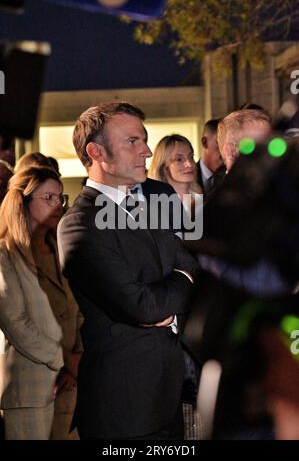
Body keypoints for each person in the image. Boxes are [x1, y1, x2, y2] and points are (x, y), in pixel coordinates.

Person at [57, 103, 198, 440]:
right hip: (122, 407)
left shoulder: (151, 205)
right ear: (96, 152)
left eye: (145, 140)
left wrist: (175, 286)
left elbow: (190, 260)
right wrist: (182, 281)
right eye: (132, 141)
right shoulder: (79, 225)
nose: (147, 151)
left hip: (168, 396)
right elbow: (145, 307)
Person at [0, 166, 64, 439]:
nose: (58, 205)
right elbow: (15, 320)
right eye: (48, 198)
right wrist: (61, 359)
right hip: (29, 386)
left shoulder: (56, 248)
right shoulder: (5, 254)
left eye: (61, 198)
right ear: (24, 203)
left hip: (67, 382)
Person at [196, 120, 225, 194]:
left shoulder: (233, 177)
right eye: (220, 142)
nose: (226, 149)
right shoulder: (188, 177)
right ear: (205, 142)